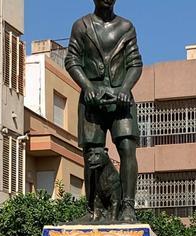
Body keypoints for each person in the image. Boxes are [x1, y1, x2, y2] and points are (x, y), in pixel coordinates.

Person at [65, 0, 143, 222]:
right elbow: (72, 60)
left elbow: (135, 63)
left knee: (128, 147)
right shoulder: (81, 26)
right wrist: (87, 86)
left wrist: (125, 88)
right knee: (91, 153)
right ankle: (92, 209)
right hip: (93, 101)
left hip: (121, 101)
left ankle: (128, 206)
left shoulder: (126, 27)